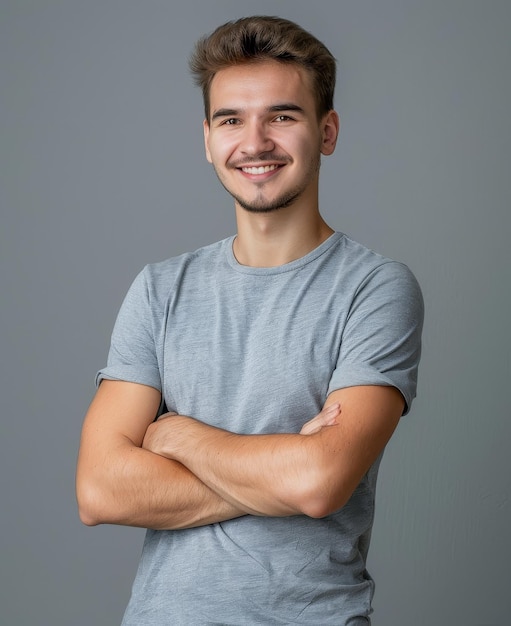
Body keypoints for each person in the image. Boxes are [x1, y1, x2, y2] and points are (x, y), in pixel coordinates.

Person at [76, 15, 424, 625]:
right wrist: (281, 472)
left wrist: (176, 436)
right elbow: (100, 490)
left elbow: (319, 483)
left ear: (328, 131)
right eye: (231, 119)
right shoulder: (159, 290)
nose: (255, 141)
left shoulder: (376, 288)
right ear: (207, 138)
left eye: (283, 116)